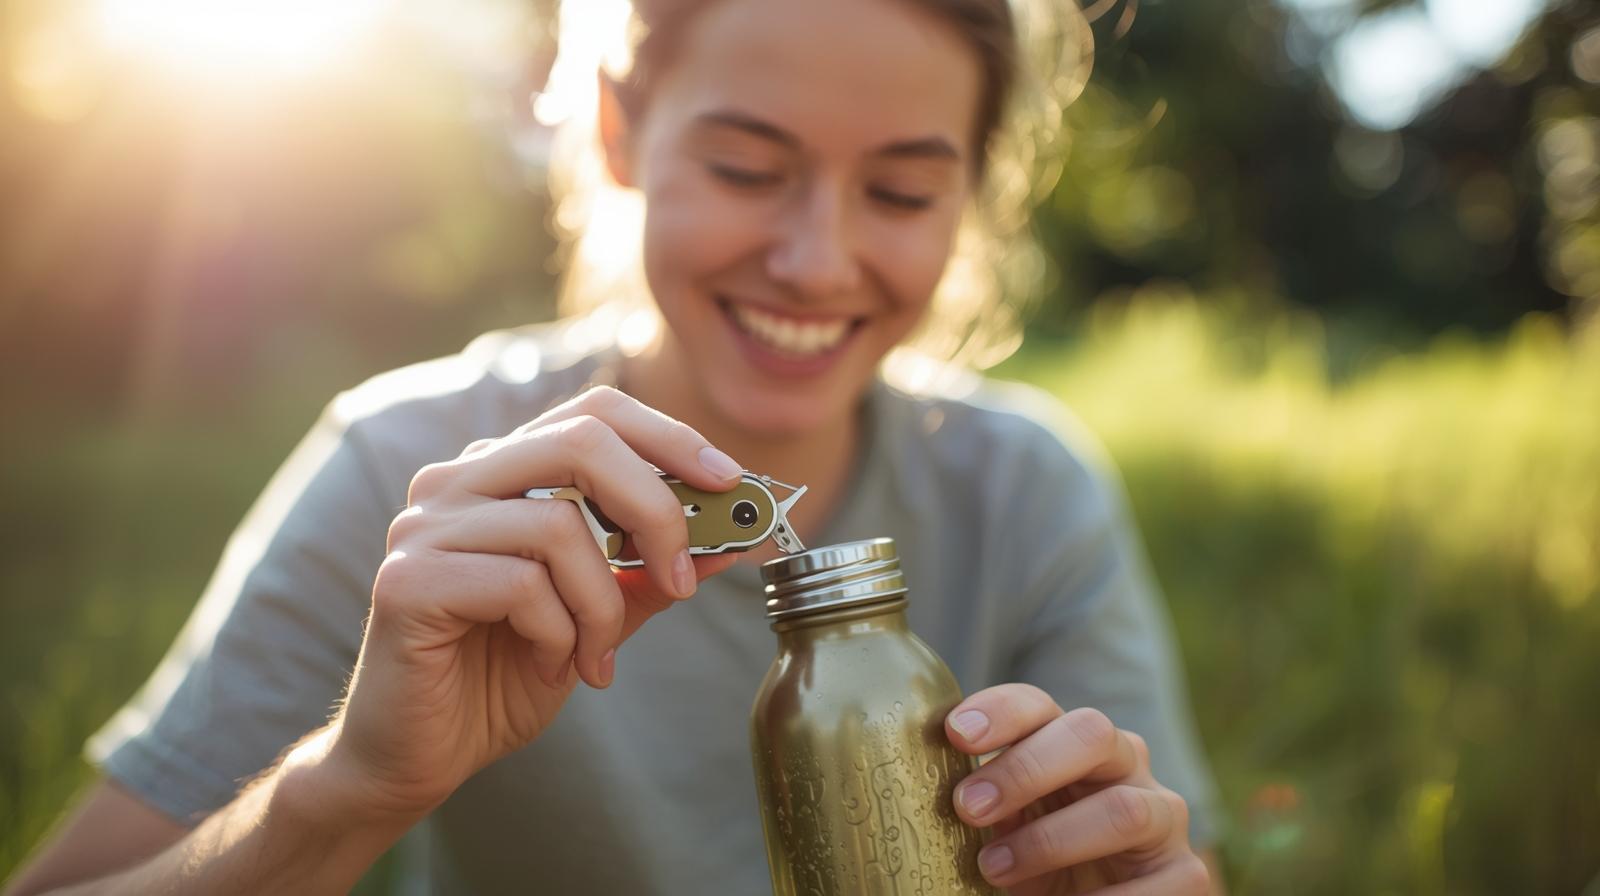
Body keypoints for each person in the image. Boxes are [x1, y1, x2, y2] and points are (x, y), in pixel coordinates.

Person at [6, 0, 1224, 892]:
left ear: (971, 200)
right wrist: (346, 786)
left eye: (900, 194)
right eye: (747, 167)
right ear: (617, 130)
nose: (813, 258)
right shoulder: (414, 467)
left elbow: (1168, 868)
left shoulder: (1026, 491)